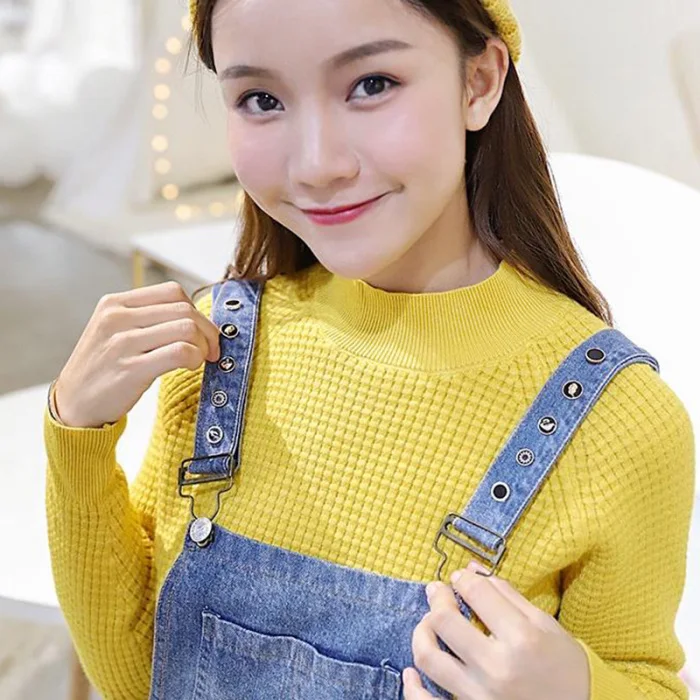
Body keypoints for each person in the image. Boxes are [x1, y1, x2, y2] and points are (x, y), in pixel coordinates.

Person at [44, 0, 695, 697]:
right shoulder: (219, 349)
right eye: (261, 99)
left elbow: (646, 680)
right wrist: (76, 436)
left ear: (479, 82)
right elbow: (138, 678)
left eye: (372, 84)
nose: (317, 165)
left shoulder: (617, 422)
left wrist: (578, 689)